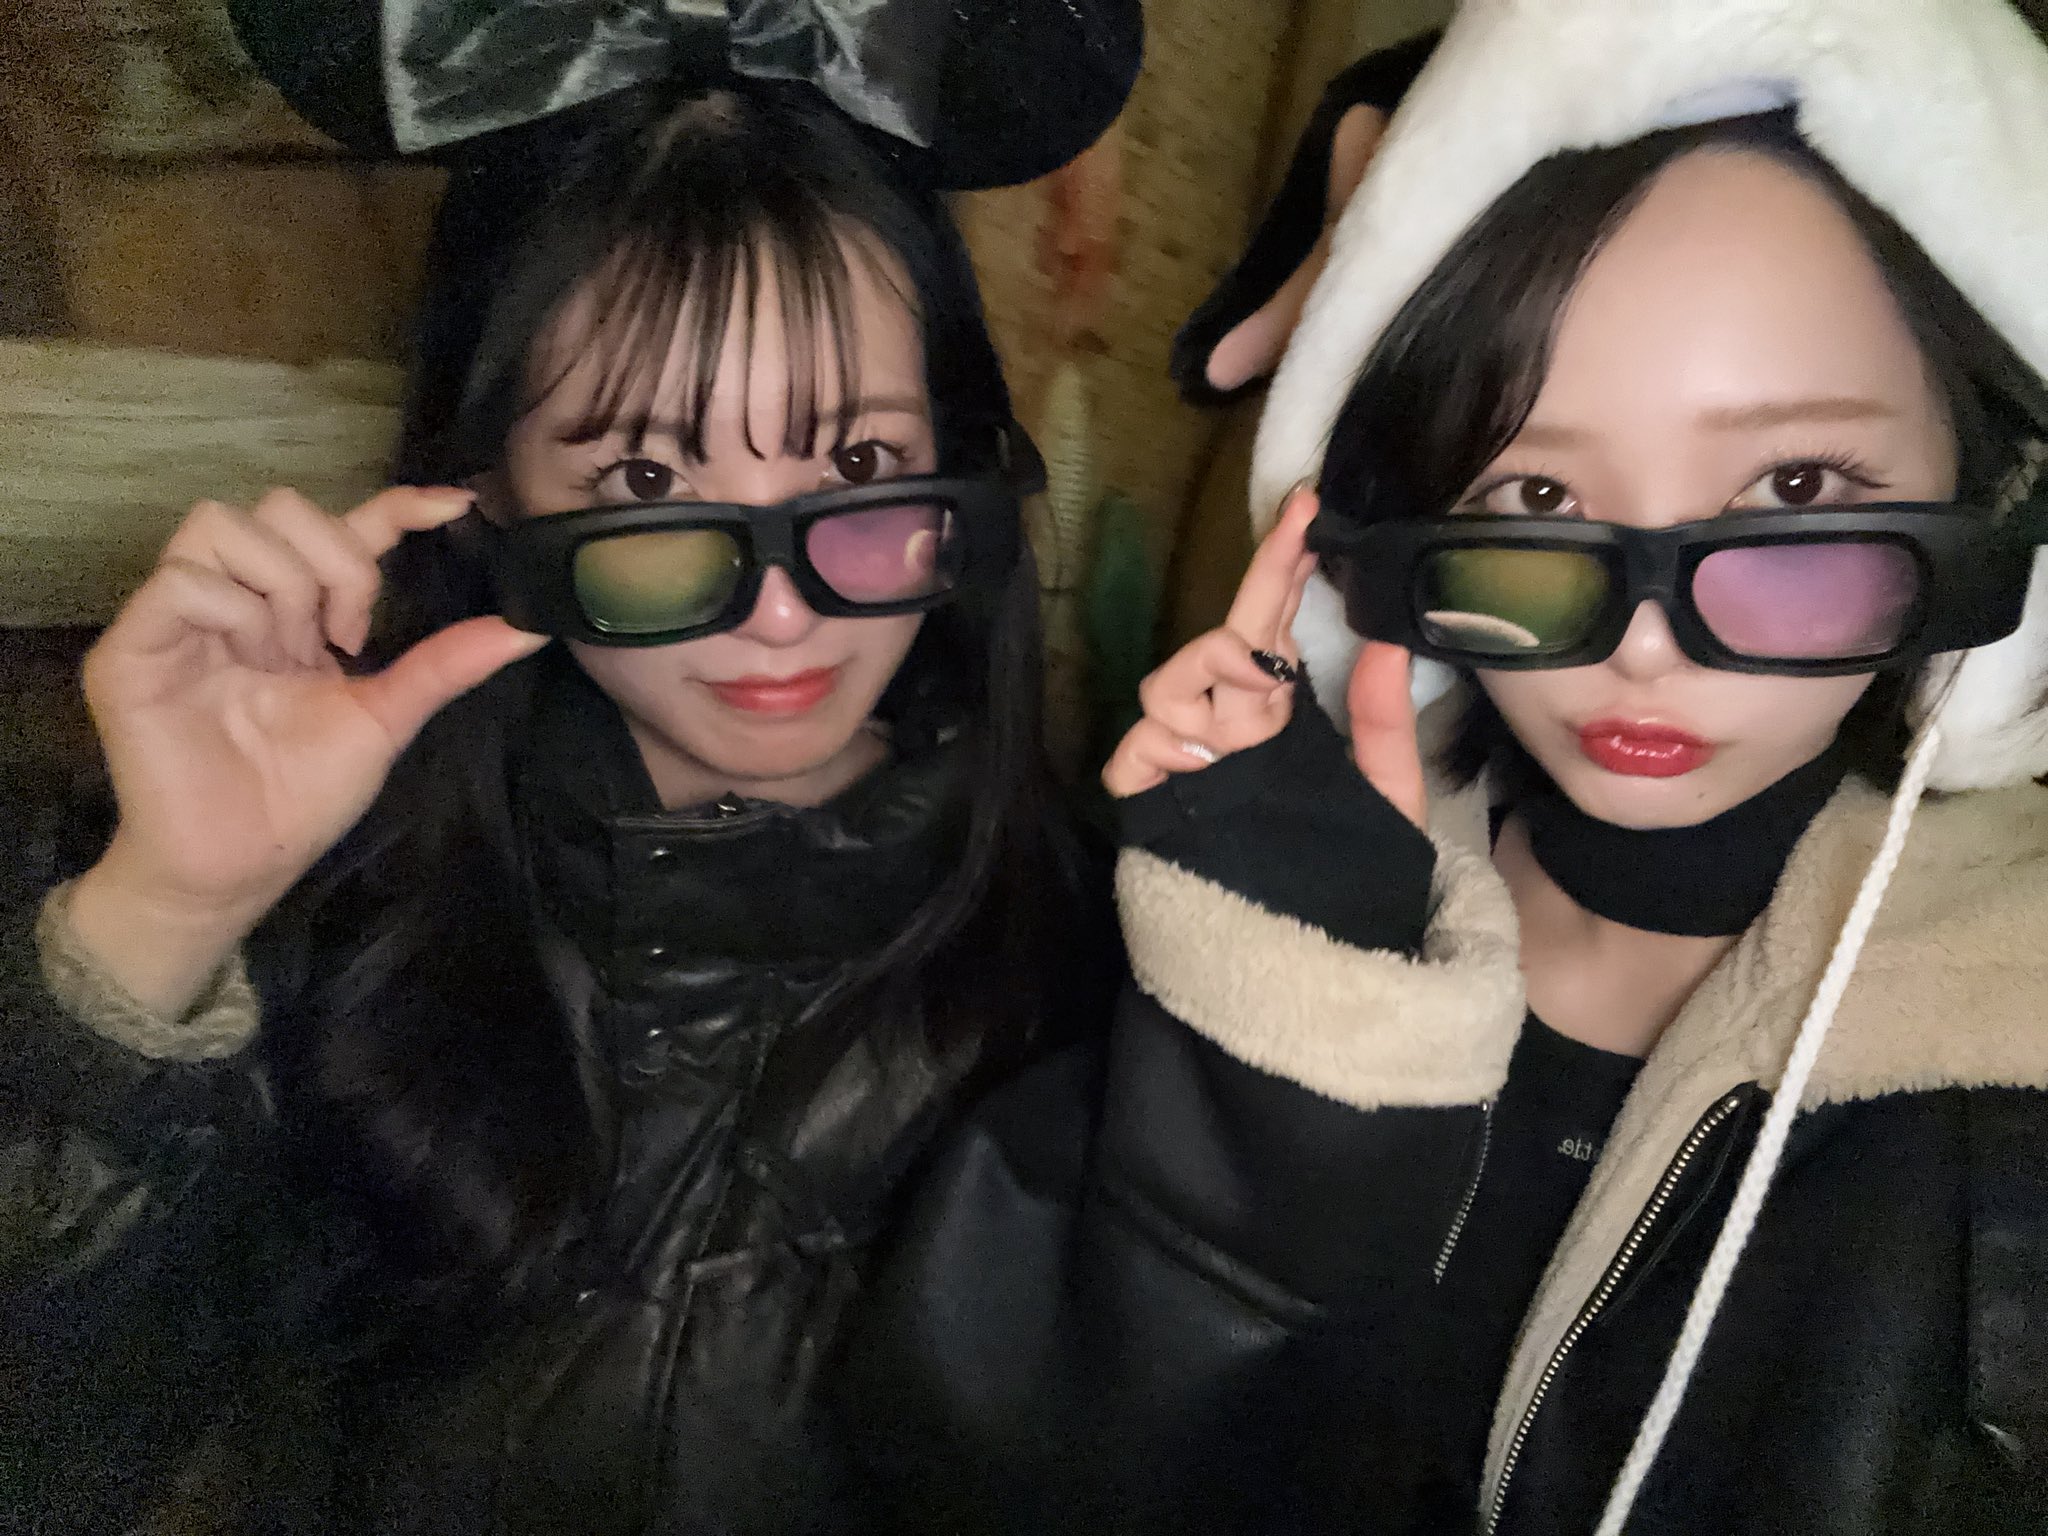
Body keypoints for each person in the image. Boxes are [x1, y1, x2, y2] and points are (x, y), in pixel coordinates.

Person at [848, 1, 2048, 1531]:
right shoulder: (1270, 893)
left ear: (1995, 492)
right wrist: (1267, 1034)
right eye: (1535, 497)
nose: (1644, 649)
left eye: (1796, 490)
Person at [0, 3, 1141, 1529]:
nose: (779, 614)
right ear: (487, 498)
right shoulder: (321, 917)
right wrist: (162, 922)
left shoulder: (1103, 967)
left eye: (859, 465)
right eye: (648, 479)